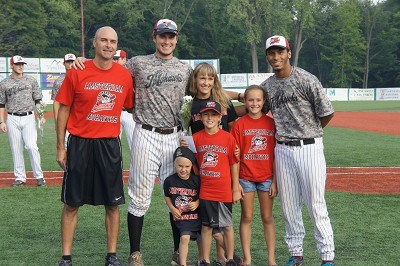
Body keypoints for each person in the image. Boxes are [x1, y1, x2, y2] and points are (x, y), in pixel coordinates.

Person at [55, 26, 134, 266]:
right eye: (104, 40)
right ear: (94, 43)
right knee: (71, 203)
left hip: (109, 145)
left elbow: (130, 106)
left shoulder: (124, 76)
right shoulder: (77, 71)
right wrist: (61, 146)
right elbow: (63, 110)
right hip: (79, 143)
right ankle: (66, 257)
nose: (108, 45)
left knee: (113, 203)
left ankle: (112, 256)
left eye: (113, 41)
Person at [261, 35, 335, 266]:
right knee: (289, 205)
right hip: (282, 150)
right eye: (272, 53)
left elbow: (327, 112)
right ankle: (296, 254)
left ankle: (327, 256)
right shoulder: (267, 86)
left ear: (288, 53)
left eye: (280, 52)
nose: (276, 57)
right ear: (268, 57)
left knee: (315, 203)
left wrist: (309, 131)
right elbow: (253, 106)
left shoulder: (306, 79)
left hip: (309, 147)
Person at [183, 62, 241, 265]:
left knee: (224, 221)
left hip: (223, 165)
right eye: (202, 78)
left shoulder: (223, 101)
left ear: (214, 81)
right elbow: (187, 135)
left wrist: (234, 147)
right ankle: (203, 258)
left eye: (210, 78)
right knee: (205, 221)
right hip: (203, 169)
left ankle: (223, 257)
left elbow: (233, 128)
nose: (206, 82)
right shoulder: (190, 104)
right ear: (195, 80)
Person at [230, 85, 277, 266]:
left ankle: (271, 259)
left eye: (258, 100)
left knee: (267, 217)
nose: (254, 103)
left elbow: (275, 154)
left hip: (266, 178)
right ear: (245, 101)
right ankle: (247, 259)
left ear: (264, 101)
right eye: (251, 100)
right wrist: (236, 183)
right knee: (246, 217)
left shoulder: (271, 123)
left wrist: (275, 181)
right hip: (246, 178)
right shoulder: (240, 124)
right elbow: (236, 156)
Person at [192, 100, 242, 266]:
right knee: (206, 227)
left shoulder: (228, 138)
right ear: (200, 117)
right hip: (206, 190)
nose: (209, 117)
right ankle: (205, 260)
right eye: (206, 114)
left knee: (227, 226)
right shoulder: (195, 138)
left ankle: (229, 259)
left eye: (213, 114)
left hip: (224, 190)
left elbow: (234, 164)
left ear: (220, 117)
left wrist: (235, 188)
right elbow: (193, 163)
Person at [0, 55, 46, 187]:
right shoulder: (4, 83)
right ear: (12, 65)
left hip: (29, 117)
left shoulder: (31, 80)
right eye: (18, 64)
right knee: (16, 149)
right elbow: (1, 104)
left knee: (32, 147)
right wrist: (1, 122)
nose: (21, 66)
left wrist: (41, 115)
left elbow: (37, 100)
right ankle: (20, 178)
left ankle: (39, 176)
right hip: (12, 118)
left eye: (22, 64)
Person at [164, 147, 201, 266]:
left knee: (201, 238)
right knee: (184, 238)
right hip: (183, 217)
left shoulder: (197, 180)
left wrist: (196, 203)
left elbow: (203, 196)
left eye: (187, 166)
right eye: (180, 166)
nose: (183, 169)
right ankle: (183, 263)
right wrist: (172, 208)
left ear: (192, 166)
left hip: (196, 215)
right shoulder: (169, 181)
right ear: (174, 164)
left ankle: (202, 259)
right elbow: (167, 196)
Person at [113, 49, 135, 151]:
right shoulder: (110, 73)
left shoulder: (132, 73)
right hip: (115, 112)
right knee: (113, 145)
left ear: (124, 59)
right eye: (114, 59)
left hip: (129, 113)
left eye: (118, 59)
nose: (115, 61)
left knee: (134, 145)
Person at [52, 53, 76, 127]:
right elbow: (56, 102)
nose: (70, 64)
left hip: (78, 117)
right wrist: (56, 120)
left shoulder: (82, 78)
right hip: (64, 116)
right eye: (68, 62)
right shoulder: (58, 81)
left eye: (72, 62)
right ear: (64, 63)